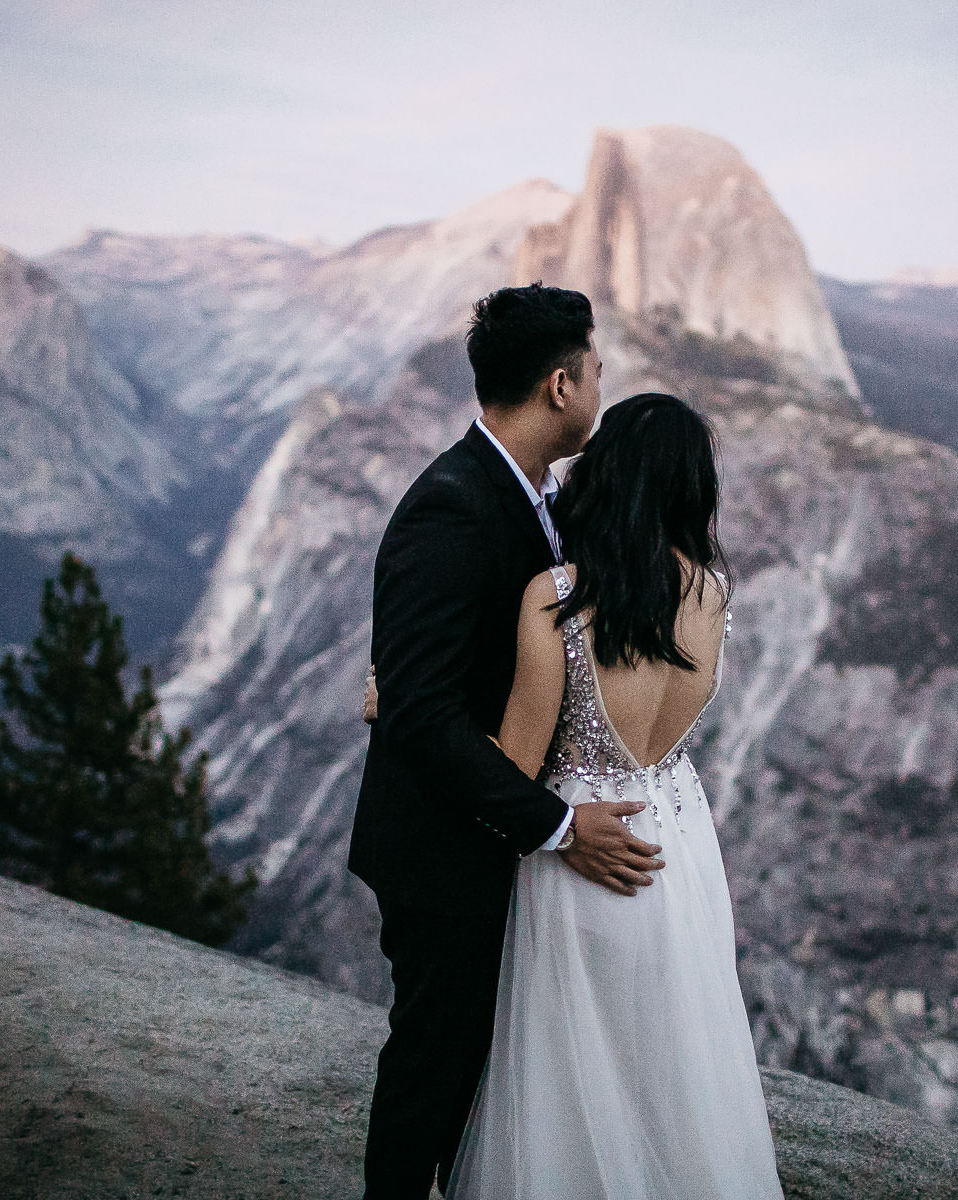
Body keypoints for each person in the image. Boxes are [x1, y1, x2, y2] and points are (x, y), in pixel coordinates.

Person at [348, 283, 666, 1200]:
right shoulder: (452, 505)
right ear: (562, 386)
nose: (602, 391)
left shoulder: (535, 495)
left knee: (489, 1072)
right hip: (446, 849)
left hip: (491, 833)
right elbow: (424, 714)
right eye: (598, 374)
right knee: (434, 1073)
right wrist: (562, 825)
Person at [446, 394, 785, 1199]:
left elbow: (512, 770)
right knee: (667, 1073)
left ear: (609, 476)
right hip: (677, 851)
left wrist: (418, 706)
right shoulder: (710, 593)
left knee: (571, 1081)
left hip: (581, 856)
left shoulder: (558, 596)